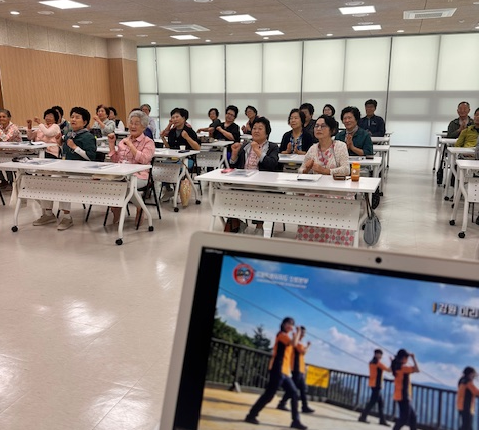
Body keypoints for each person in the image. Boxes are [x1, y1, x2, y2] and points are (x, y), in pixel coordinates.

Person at [33, 107, 96, 231]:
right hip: (67, 167)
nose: (73, 119)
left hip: (82, 171)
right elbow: (65, 152)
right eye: (72, 117)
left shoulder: (88, 137)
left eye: (77, 117)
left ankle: (67, 217)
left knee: (64, 183)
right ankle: (48, 214)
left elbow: (91, 157)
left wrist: (75, 147)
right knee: (48, 180)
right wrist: (60, 143)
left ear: (85, 122)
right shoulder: (69, 134)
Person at [296, 115, 353, 246]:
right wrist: (306, 170)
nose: (318, 129)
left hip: (336, 193)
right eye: (316, 126)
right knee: (307, 209)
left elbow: (346, 169)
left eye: (323, 126)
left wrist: (325, 171)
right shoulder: (313, 148)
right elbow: (300, 170)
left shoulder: (340, 146)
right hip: (316, 193)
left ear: (332, 130)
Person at [245, 317, 307, 430]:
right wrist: (298, 332)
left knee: (294, 393)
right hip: (277, 369)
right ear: (283, 324)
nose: (290, 326)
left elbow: (294, 345)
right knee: (269, 395)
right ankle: (251, 415)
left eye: (291, 324)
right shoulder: (281, 335)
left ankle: (296, 421)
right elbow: (293, 343)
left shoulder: (287, 336)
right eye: (288, 323)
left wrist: (296, 335)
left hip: (285, 371)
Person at [229, 117, 279, 236]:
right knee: (228, 194)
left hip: (262, 184)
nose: (256, 131)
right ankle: (239, 222)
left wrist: (258, 151)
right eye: (254, 128)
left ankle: (259, 226)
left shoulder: (272, 147)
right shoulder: (246, 146)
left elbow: (272, 164)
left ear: (267, 132)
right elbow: (234, 165)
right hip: (243, 182)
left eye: (260, 129)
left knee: (258, 195)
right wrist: (234, 155)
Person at [107, 110, 155, 225]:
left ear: (143, 127)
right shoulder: (123, 141)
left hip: (140, 175)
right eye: (131, 123)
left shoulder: (148, 142)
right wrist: (111, 144)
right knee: (108, 183)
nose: (133, 126)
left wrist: (131, 145)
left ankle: (140, 206)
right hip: (122, 174)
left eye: (136, 123)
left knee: (128, 185)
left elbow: (144, 159)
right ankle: (116, 206)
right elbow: (116, 160)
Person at [277, 326, 315, 414]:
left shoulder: (300, 342)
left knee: (302, 388)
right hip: (296, 368)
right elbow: (303, 352)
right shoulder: (296, 341)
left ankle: (304, 406)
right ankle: (282, 403)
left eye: (304, 333)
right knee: (293, 388)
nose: (303, 334)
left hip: (300, 368)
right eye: (302, 332)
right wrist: (308, 346)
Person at [358, 349, 390, 426]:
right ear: (376, 355)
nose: (380, 356)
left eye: (380, 354)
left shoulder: (371, 362)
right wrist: (393, 362)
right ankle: (363, 417)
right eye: (379, 354)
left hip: (373, 384)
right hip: (377, 385)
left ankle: (382, 420)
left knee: (380, 403)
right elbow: (389, 370)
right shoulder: (378, 363)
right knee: (372, 402)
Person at [391, 349, 419, 430]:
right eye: (407, 358)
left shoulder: (397, 366)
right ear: (403, 358)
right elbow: (417, 370)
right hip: (403, 396)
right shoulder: (403, 367)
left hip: (400, 395)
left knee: (412, 417)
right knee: (404, 419)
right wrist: (413, 358)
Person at [0, 109, 21, 189]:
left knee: (8, 162)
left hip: (15, 152)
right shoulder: (1, 127)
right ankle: (3, 181)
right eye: (0, 117)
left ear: (9, 118)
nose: (1, 118)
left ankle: (12, 182)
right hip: (4, 151)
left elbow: (6, 139)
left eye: (4, 117)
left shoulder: (13, 128)